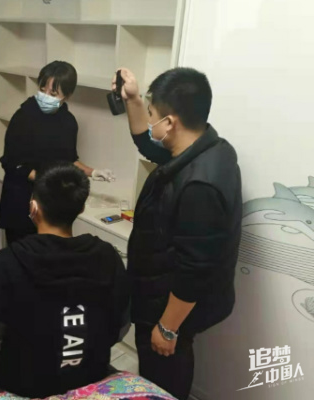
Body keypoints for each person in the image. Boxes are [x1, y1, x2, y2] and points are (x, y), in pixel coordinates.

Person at [113, 67, 242, 400]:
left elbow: (195, 269)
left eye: (152, 114)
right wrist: (133, 100)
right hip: (164, 291)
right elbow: (148, 143)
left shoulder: (200, 185)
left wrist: (167, 327)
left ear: (170, 122)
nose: (149, 120)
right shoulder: (208, 147)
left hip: (169, 305)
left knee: (163, 373)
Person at [0, 163, 130, 398]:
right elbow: (121, 328)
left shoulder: (7, 263)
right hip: (90, 372)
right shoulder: (108, 257)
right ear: (81, 207)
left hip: (25, 384)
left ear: (33, 207)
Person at [0, 61, 114, 245]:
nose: (45, 96)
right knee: (21, 254)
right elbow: (10, 162)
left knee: (48, 253)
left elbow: (69, 160)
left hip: (50, 201)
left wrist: (93, 172)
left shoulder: (68, 122)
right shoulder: (23, 116)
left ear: (67, 95)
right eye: (42, 89)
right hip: (20, 199)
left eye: (53, 93)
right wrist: (44, 180)